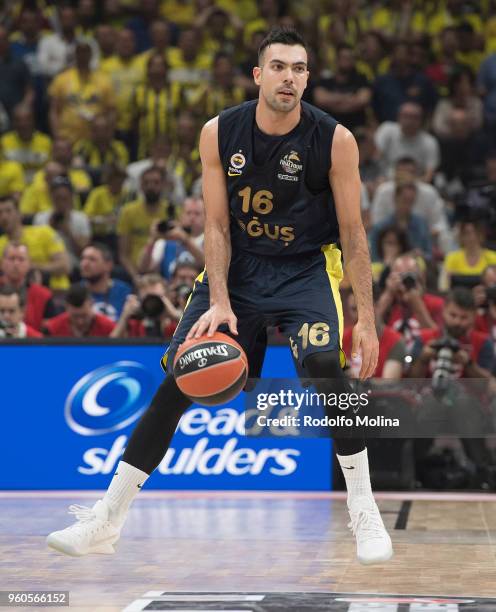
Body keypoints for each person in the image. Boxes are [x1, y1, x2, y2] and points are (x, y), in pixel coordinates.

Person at [47, 28, 393, 565]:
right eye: (279, 67)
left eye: (299, 69)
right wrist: (221, 300)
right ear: (259, 75)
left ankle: (364, 510)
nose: (290, 78)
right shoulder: (219, 132)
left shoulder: (335, 139)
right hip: (237, 270)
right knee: (178, 381)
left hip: (304, 268)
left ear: (307, 78)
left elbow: (353, 234)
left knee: (327, 366)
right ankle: (106, 518)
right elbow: (215, 223)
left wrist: (365, 319)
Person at [0, 195, 70, 291]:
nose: (4, 217)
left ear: (20, 214)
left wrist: (30, 266)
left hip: (56, 291)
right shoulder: (1, 244)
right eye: (0, 213)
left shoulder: (44, 232)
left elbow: (64, 266)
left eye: (8, 211)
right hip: (14, 297)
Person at [374, 102, 440, 183]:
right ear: (399, 117)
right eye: (406, 116)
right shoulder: (386, 129)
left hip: (415, 184)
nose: (409, 121)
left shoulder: (430, 142)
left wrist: (411, 184)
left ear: (421, 120)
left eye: (414, 117)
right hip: (385, 180)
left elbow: (428, 175)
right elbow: (375, 158)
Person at [0, 242, 56, 331]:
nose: (16, 263)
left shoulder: (44, 296)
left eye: (21, 259)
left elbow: (48, 335)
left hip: (33, 344)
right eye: (11, 259)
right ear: (2, 263)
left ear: (29, 264)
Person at [79, 243, 132, 321]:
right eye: (83, 259)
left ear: (108, 265)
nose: (85, 264)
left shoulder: (124, 292)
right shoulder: (76, 292)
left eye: (92, 259)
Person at [43, 283, 115, 337]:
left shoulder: (108, 328)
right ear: (66, 307)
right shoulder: (52, 329)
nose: (80, 322)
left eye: (84, 316)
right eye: (75, 316)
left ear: (91, 304)